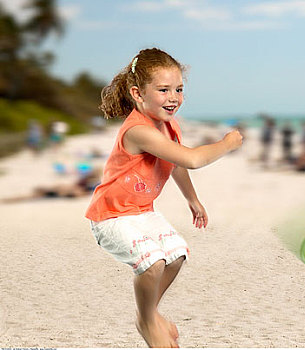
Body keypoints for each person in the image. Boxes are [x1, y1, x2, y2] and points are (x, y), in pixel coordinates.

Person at [84, 48, 243, 348]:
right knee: (153, 262)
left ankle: (149, 313)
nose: (174, 97)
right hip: (110, 215)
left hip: (141, 210)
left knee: (177, 253)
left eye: (179, 89)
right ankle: (147, 319)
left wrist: (192, 200)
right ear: (138, 94)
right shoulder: (138, 130)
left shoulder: (169, 125)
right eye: (164, 90)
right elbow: (193, 158)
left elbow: (177, 164)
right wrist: (226, 143)